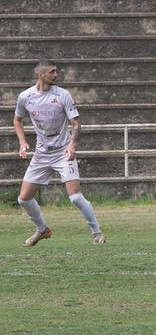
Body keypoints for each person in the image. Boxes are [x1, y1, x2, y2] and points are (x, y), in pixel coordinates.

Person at [12, 60, 105, 246]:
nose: (56, 75)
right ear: (41, 74)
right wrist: (22, 142)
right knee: (23, 199)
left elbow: (76, 123)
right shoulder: (25, 97)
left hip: (63, 152)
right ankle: (42, 230)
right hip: (41, 154)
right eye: (52, 71)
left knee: (75, 197)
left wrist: (72, 145)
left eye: (56, 71)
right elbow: (17, 120)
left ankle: (97, 233)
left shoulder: (62, 95)